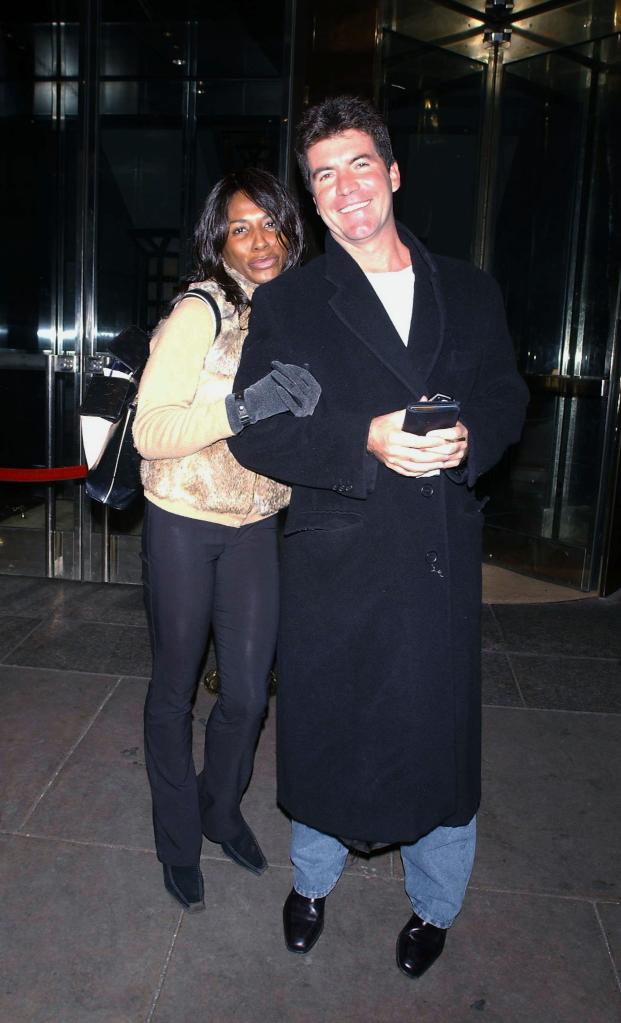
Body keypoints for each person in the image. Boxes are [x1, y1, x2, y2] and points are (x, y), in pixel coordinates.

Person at [228, 97, 529, 976]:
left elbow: (507, 397)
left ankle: (434, 905)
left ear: (392, 173)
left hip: (436, 552)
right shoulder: (290, 304)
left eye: (359, 164)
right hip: (338, 557)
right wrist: (362, 436)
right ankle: (312, 884)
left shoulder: (468, 289)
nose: (345, 187)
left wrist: (474, 438)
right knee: (330, 730)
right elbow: (256, 429)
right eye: (324, 174)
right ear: (313, 199)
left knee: (439, 740)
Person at [133, 169, 320, 913]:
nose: (259, 240)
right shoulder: (198, 312)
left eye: (269, 223)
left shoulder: (294, 313)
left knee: (246, 694)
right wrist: (238, 408)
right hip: (182, 517)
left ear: (289, 231)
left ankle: (219, 808)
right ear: (220, 240)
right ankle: (177, 838)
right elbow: (151, 430)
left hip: (254, 526)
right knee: (174, 686)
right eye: (240, 227)